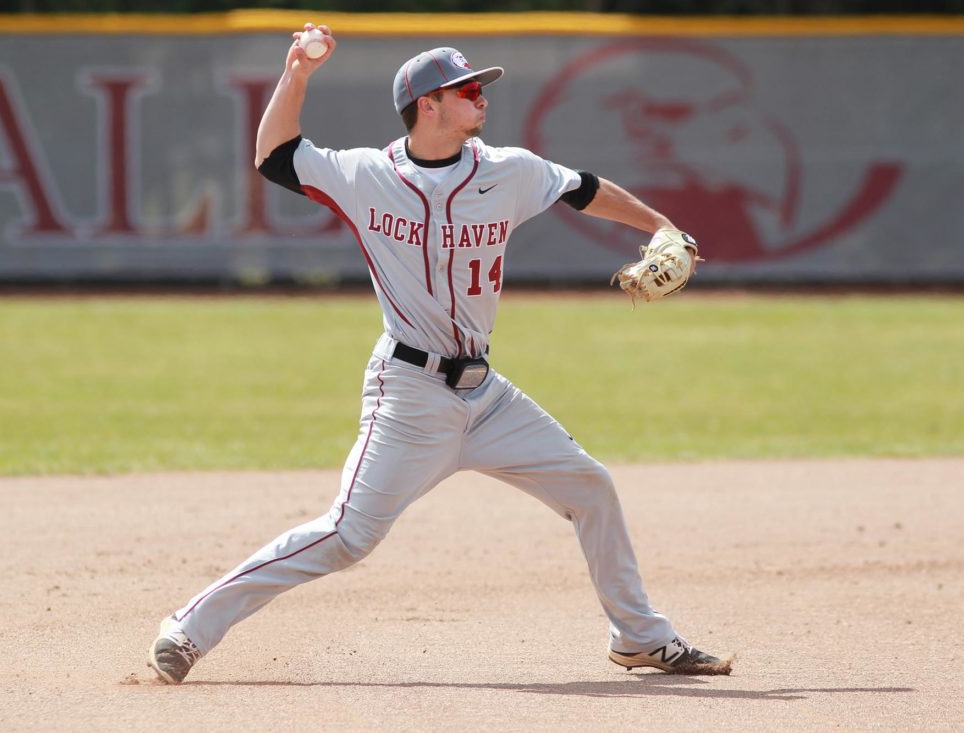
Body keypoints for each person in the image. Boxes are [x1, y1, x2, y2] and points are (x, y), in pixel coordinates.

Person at [148, 23, 731, 684]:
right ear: (429, 105)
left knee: (590, 486)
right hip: (409, 394)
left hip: (485, 397)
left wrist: (659, 226)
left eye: (479, 86)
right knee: (346, 535)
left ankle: (640, 637)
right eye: (466, 88)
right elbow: (275, 155)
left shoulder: (508, 170)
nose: (481, 96)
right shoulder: (365, 174)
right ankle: (189, 627)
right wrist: (297, 74)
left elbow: (584, 188)